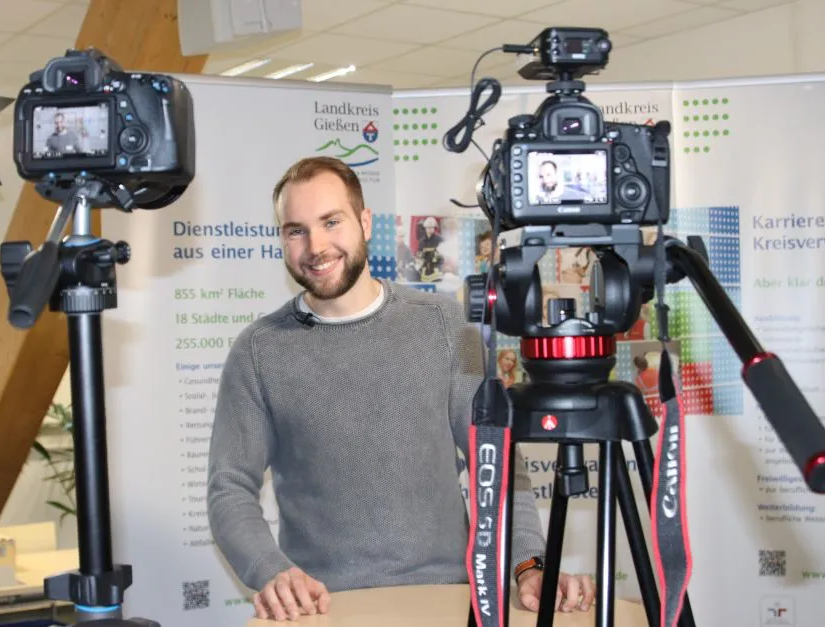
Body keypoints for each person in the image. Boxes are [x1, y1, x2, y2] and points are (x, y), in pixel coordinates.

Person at [207, 156, 596, 622]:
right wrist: (273, 571)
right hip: (322, 606)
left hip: (447, 595)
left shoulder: (447, 326)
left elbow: (495, 463)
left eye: (332, 221)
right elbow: (229, 488)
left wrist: (529, 564)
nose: (316, 245)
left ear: (364, 222)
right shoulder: (258, 350)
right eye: (296, 230)